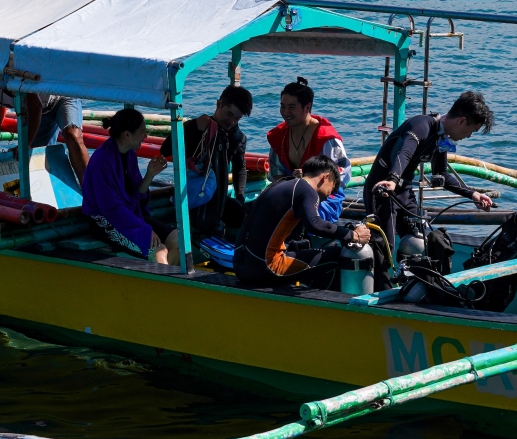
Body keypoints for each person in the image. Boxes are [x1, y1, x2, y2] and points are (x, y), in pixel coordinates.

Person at [363, 92, 496, 254]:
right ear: (462, 121)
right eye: (472, 131)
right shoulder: (421, 125)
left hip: (403, 192)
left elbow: (441, 176)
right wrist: (392, 180)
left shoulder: (441, 137)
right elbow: (405, 153)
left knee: (421, 243)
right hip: (382, 190)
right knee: (384, 249)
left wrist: (473, 194)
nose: (469, 136)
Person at [144, 84, 252, 261]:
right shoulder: (199, 127)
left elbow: (240, 168)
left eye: (237, 119)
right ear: (219, 104)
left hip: (219, 200)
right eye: (229, 114)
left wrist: (240, 196)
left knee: (245, 214)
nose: (231, 121)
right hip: (195, 198)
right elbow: (165, 149)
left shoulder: (237, 137)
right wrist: (194, 127)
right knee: (200, 222)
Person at [236, 156, 371, 291]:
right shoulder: (307, 190)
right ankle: (331, 305)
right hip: (266, 268)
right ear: (325, 177)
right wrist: (352, 235)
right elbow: (315, 224)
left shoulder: (282, 184)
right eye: (333, 188)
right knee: (337, 255)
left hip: (242, 266)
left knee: (306, 250)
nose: (330, 195)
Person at [0, 65, 88, 180]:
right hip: (41, 115)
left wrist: (25, 144)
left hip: (62, 97)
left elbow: (35, 106)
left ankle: (92, 195)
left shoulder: (13, 76)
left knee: (73, 136)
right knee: (34, 164)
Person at [79, 107, 169, 266]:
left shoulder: (129, 154)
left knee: (177, 239)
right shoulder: (102, 161)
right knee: (158, 251)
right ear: (127, 134)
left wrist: (150, 174)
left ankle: (172, 279)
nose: (145, 136)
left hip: (129, 213)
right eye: (142, 131)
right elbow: (111, 209)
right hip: (105, 221)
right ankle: (166, 287)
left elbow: (136, 194)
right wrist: (144, 230)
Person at [265, 78, 351, 221]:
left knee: (305, 215)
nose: (285, 112)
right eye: (282, 106)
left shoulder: (326, 137)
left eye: (291, 107)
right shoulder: (278, 136)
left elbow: (342, 172)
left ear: (307, 107)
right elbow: (276, 174)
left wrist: (310, 178)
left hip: (325, 199)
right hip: (290, 195)